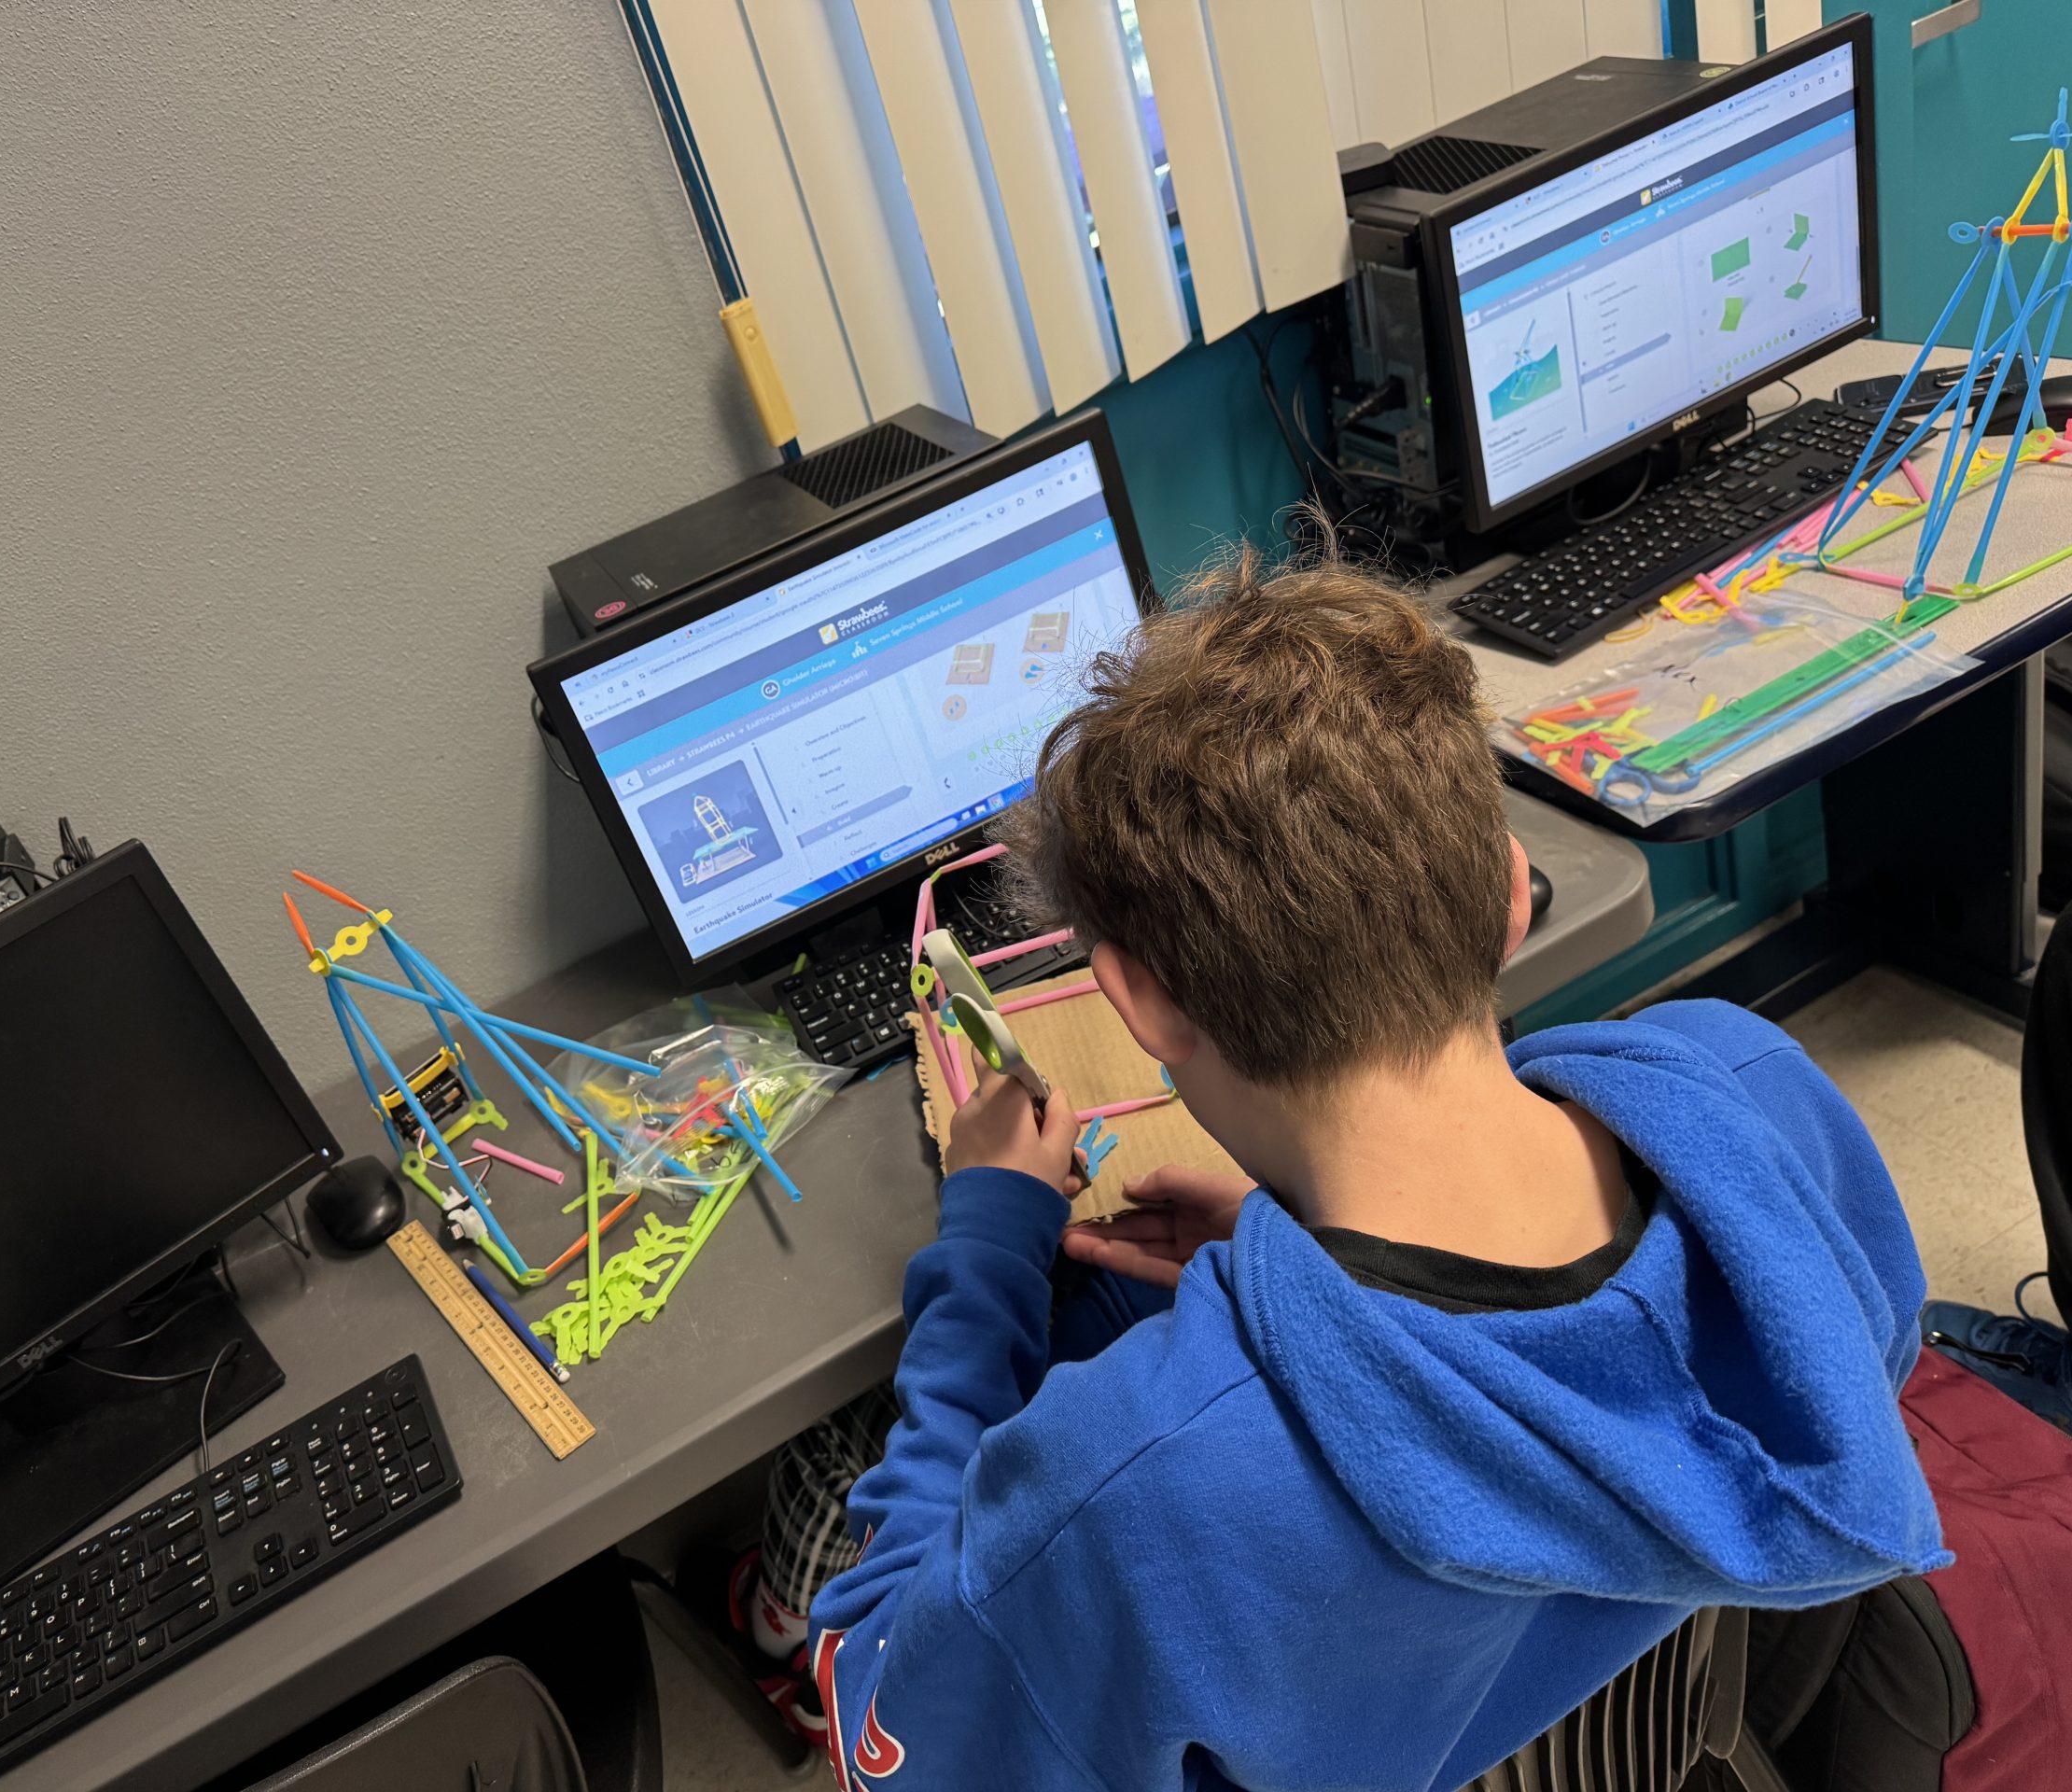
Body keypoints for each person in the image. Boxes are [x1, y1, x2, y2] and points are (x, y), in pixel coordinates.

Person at [806, 550, 1947, 1790]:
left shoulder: (1135, 1482)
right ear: (1510, 892)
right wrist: (1296, 1261)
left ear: (1137, 998)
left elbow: (881, 1718)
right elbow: (1847, 1362)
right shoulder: (1753, 1089)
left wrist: (983, 1262)